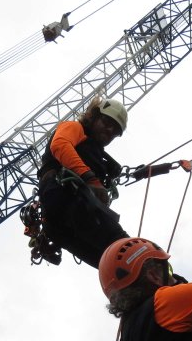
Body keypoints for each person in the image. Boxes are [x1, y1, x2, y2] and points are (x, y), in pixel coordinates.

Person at [32, 96, 130, 267]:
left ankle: (143, 290)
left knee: (109, 264)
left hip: (61, 219)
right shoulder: (74, 128)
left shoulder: (94, 152)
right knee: (124, 249)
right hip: (69, 199)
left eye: (114, 131)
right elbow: (60, 145)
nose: (109, 130)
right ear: (93, 116)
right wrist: (91, 178)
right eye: (106, 122)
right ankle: (168, 280)